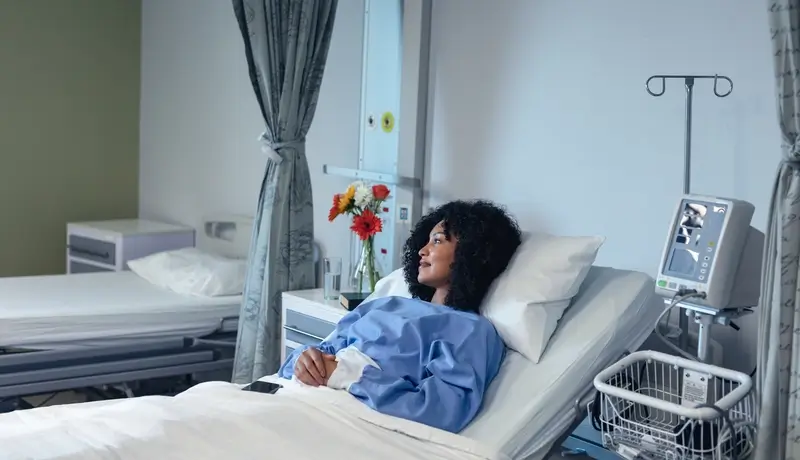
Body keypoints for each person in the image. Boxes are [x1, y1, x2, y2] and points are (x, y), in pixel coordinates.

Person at [277, 200, 523, 433]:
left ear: (472, 253)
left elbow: (441, 410)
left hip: (355, 418)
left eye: (437, 241)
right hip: (301, 397)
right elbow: (321, 351)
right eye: (425, 241)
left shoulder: (471, 330)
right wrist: (305, 360)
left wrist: (347, 375)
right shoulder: (386, 304)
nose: (422, 251)